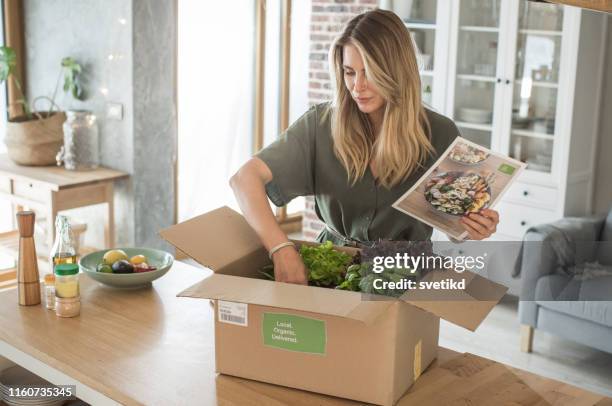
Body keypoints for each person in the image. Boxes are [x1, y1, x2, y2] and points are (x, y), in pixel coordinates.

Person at [230, 9, 499, 285]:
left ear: (396, 71)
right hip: (332, 268)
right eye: (349, 72)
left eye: (369, 73)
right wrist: (281, 249)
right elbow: (244, 180)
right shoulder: (320, 124)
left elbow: (453, 225)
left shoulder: (440, 133)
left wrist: (471, 228)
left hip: (405, 276)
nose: (357, 86)